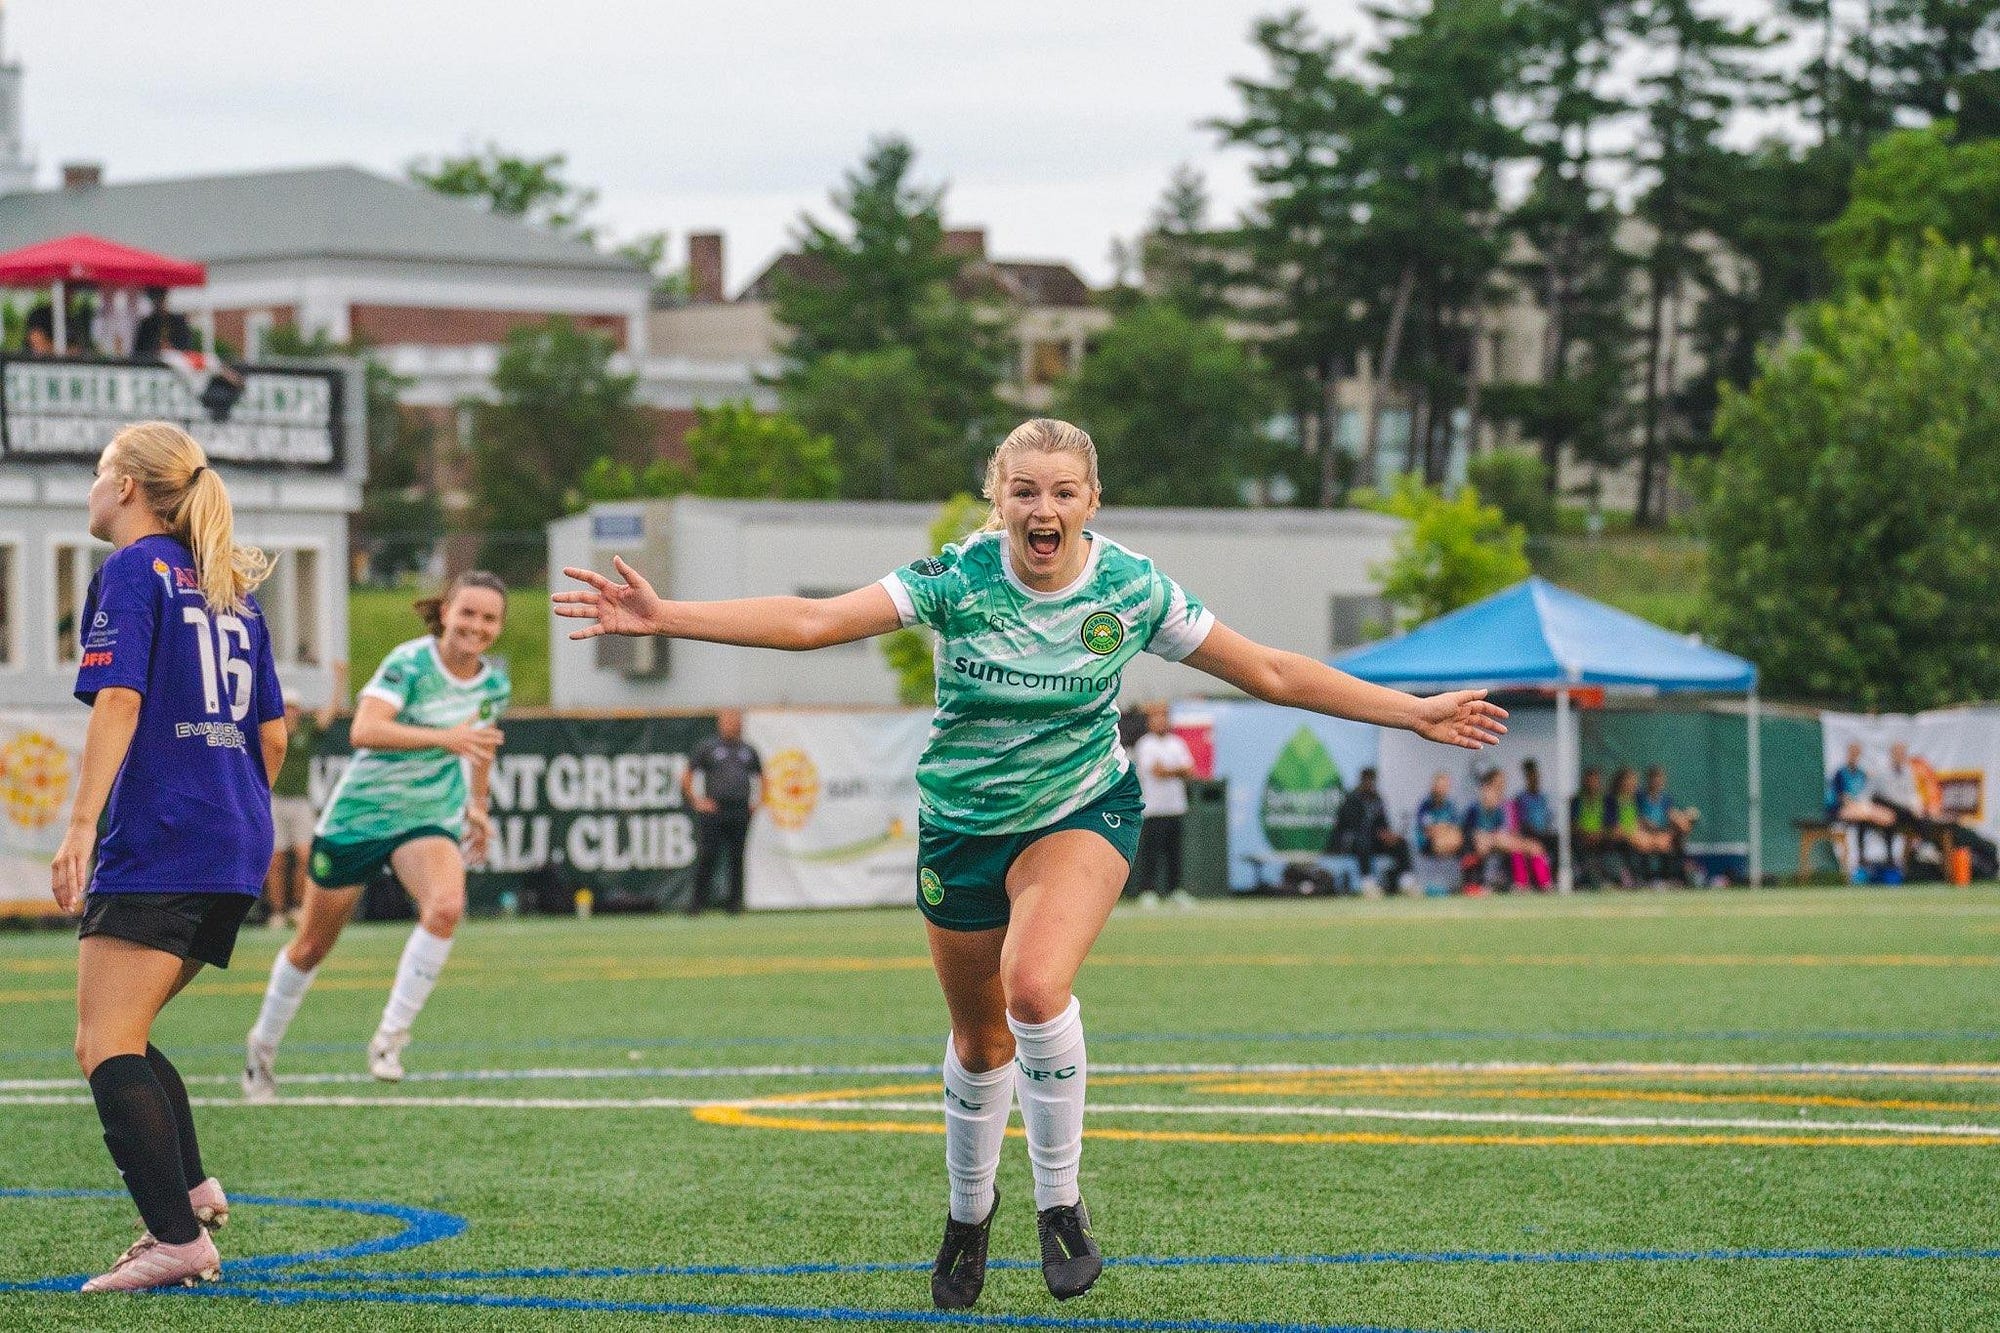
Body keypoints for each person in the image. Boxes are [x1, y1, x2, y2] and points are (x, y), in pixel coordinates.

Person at [554, 418, 1506, 1309]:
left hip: (1080, 809)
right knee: (979, 1044)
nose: (1041, 510)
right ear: (997, 500)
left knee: (1036, 988)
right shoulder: (956, 579)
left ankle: (1061, 1203)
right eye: (1023, 492)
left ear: (1093, 501)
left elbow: (1273, 672)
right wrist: (665, 615)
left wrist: (1410, 708)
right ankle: (970, 1215)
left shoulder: (1130, 589)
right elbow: (813, 621)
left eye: (1061, 492)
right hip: (963, 827)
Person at [51, 422, 285, 1291]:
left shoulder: (129, 569)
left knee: (104, 1042)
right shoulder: (227, 585)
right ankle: (190, 1184)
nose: (91, 485)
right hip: (233, 838)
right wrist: (237, 820)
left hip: (167, 837)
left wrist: (80, 825)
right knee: (129, 1027)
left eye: (98, 468)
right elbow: (272, 736)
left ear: (126, 487)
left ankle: (175, 1238)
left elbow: (118, 697)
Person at [242, 574, 508, 1099]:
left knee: (446, 907)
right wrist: (446, 738)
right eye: (468, 614)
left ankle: (390, 1037)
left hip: (428, 816)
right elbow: (364, 730)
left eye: (489, 619)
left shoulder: (492, 683)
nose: (477, 627)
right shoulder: (409, 662)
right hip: (360, 816)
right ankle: (262, 1050)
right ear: (447, 611)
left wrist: (477, 806)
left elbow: (480, 745)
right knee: (312, 945)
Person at [263, 663, 346, 930]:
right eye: (286, 706)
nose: (290, 712)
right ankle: (276, 911)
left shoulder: (307, 730)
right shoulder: (269, 731)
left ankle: (298, 907)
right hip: (274, 800)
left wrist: (340, 679)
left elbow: (330, 714)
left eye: (294, 707)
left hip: (300, 801)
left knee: (303, 855)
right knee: (274, 860)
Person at [683, 708, 763, 914]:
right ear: (720, 723)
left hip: (739, 810)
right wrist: (696, 801)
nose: (731, 724)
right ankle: (697, 905)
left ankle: (735, 905)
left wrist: (758, 801)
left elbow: (762, 777)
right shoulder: (708, 747)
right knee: (708, 856)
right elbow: (687, 775)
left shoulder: (748, 750)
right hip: (714, 810)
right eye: (727, 720)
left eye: (735, 720)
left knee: (737, 858)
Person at [1128, 701, 1197, 907]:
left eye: (1164, 716)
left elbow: (1189, 771)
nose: (1161, 721)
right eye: (1156, 717)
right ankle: (1147, 891)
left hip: (1175, 807)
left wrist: (1171, 770)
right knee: (1151, 853)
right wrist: (1176, 770)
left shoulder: (1177, 743)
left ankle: (1175, 890)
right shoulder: (1145, 744)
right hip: (1153, 808)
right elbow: (1157, 772)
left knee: (1174, 853)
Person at [1462, 767, 1550, 893]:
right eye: (1497, 783)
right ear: (1487, 786)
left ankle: (1544, 884)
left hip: (1504, 838)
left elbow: (1507, 829)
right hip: (1487, 840)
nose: (1501, 786)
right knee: (1509, 845)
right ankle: (1519, 884)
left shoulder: (1506, 804)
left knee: (1533, 846)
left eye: (1502, 783)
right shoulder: (1477, 807)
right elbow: (1474, 831)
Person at [1325, 767, 1409, 893]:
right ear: (1362, 781)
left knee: (1401, 843)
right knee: (1362, 841)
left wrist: (1387, 835)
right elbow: (1351, 826)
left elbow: (1383, 824)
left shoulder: (1377, 800)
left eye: (1372, 781)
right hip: (1351, 842)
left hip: (1373, 841)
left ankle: (1406, 881)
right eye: (1367, 780)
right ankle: (1367, 882)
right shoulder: (1352, 799)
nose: (1370, 784)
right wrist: (1376, 833)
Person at [1638, 765, 1700, 885]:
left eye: (1660, 779)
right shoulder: (1640, 797)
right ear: (1649, 780)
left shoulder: (1666, 799)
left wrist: (1685, 817)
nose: (1657, 782)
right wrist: (1652, 829)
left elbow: (1671, 814)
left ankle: (1676, 876)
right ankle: (1651, 878)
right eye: (1654, 778)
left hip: (1662, 832)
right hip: (1645, 833)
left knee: (1679, 833)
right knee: (1657, 841)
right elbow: (1640, 818)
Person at [1570, 766, 1619, 888]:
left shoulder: (1608, 801)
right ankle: (1585, 878)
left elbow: (1613, 825)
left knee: (1613, 843)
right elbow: (1572, 824)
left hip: (1602, 839)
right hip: (1582, 838)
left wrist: (1599, 835)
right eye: (1589, 780)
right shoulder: (1576, 801)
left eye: (1595, 781)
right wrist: (1586, 834)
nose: (1592, 784)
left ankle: (1615, 877)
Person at [133, 287, 198, 358]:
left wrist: (172, 349)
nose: (158, 302)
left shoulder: (179, 322)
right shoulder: (147, 324)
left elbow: (186, 347)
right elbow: (139, 351)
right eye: (155, 298)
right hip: (153, 363)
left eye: (160, 297)